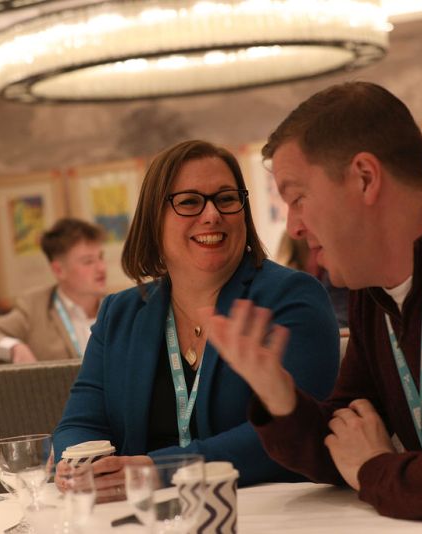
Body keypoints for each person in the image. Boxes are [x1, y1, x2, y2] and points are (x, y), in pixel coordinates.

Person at [204, 81, 422, 520]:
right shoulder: (372, 293)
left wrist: (373, 469)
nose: (293, 227)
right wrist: (277, 393)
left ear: (365, 178)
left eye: (297, 198)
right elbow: (340, 446)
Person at [53, 140, 340, 498]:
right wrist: (79, 465)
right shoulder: (119, 314)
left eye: (226, 199)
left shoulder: (291, 297)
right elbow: (80, 423)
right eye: (189, 202)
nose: (212, 215)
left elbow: (294, 432)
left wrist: (160, 470)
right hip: (144, 514)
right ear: (153, 220)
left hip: (267, 509)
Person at [0, 217, 107, 363]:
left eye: (101, 257)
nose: (101, 268)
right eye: (88, 261)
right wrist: (12, 347)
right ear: (59, 270)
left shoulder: (115, 306)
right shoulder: (35, 308)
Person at [275, 232, 349, 328]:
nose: (322, 254)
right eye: (318, 248)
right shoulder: (294, 284)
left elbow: (339, 322)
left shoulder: (331, 278)